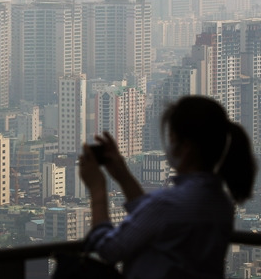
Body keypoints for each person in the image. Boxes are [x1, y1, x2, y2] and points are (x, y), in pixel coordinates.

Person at [79, 95, 257, 279]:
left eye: (171, 137)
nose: (169, 145)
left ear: (185, 147)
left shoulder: (169, 204)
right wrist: (123, 176)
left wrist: (97, 190)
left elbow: (108, 250)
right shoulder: (221, 202)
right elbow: (150, 221)